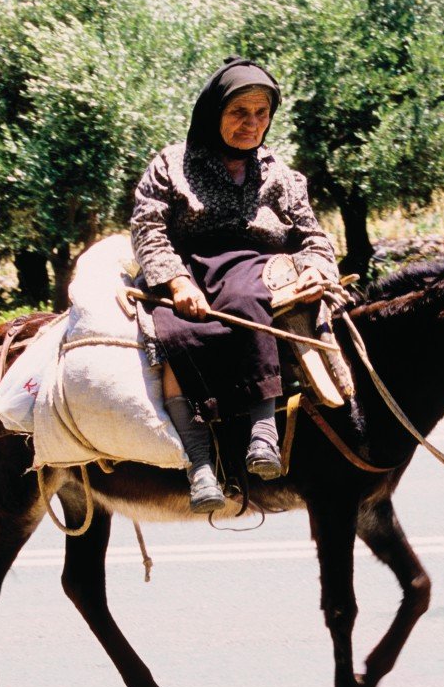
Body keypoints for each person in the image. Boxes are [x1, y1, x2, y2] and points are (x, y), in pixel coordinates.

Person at [130, 56, 342, 513]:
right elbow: (149, 228)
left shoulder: (279, 174)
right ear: (213, 114)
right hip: (189, 273)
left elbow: (311, 234)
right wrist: (176, 281)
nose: (252, 124)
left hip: (258, 268)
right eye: (238, 113)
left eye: (261, 113)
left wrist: (314, 270)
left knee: (250, 297)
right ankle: (200, 462)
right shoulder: (173, 164)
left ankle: (263, 431)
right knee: (174, 334)